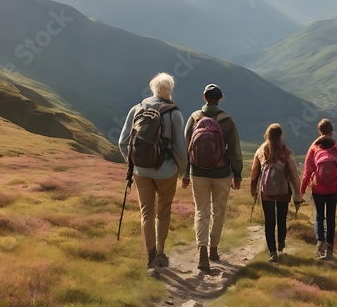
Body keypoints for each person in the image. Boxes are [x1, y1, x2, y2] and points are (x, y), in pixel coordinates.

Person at [118, 73, 187, 272]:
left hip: (141, 171)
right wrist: (184, 171)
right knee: (163, 212)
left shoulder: (136, 109)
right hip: (166, 172)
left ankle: (150, 257)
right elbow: (181, 148)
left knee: (146, 213)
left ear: (153, 89)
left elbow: (123, 142)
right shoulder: (175, 114)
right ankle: (161, 252)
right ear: (170, 91)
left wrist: (132, 165)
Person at [183, 83, 243, 273]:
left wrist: (185, 173)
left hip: (198, 173)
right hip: (222, 174)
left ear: (204, 97)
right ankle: (213, 250)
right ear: (220, 99)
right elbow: (234, 151)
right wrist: (238, 174)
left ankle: (202, 249)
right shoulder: (227, 121)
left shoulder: (194, 118)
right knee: (218, 212)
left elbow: (185, 148)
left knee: (201, 211)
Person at [250, 124, 303, 263]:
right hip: (283, 192)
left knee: (269, 222)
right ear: (281, 136)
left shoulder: (261, 151)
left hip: (266, 192)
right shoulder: (287, 153)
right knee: (281, 220)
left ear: (267, 135)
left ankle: (272, 252)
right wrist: (298, 196)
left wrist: (253, 192)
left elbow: (254, 174)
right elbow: (294, 177)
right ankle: (281, 244)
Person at [301, 118, 337, 261]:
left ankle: (319, 243)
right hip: (334, 187)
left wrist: (302, 189)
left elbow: (307, 172)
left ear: (319, 131)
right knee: (331, 217)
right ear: (331, 131)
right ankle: (329, 250)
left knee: (319, 215)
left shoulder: (314, 147)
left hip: (318, 187)